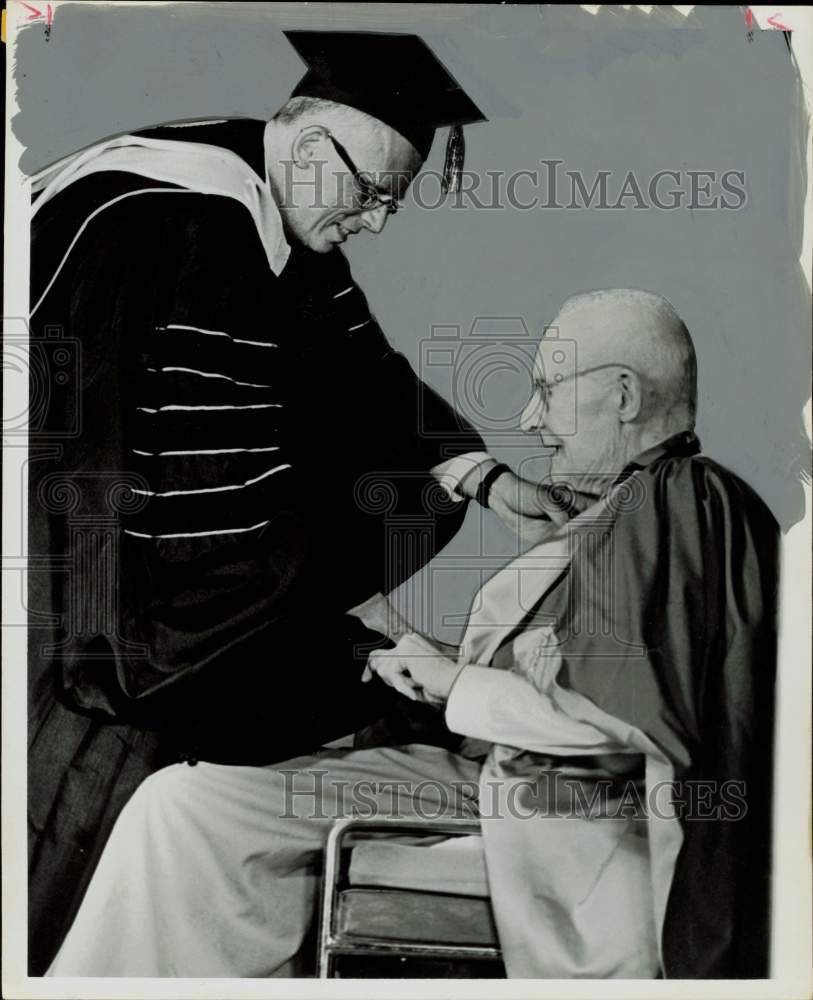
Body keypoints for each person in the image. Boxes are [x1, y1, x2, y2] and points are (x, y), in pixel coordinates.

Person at [28, 31, 571, 973]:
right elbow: (200, 488)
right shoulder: (184, 225)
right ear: (313, 148)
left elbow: (361, 369)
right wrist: (327, 608)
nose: (377, 223)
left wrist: (480, 476)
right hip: (96, 579)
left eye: (390, 202)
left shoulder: (266, 178)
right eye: (372, 196)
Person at [46, 289, 779, 979]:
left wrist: (452, 681)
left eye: (547, 390)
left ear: (621, 394)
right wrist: (427, 660)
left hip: (568, 806)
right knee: (189, 804)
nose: (528, 420)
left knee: (188, 813)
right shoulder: (634, 508)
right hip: (499, 779)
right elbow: (573, 682)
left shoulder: (676, 500)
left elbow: (619, 718)